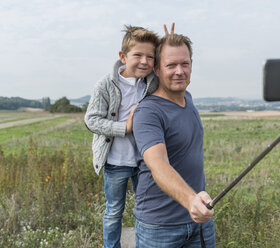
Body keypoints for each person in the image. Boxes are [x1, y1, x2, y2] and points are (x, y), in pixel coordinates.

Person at [133, 33, 216, 248]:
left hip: (199, 221)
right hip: (159, 227)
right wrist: (191, 201)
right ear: (157, 69)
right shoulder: (148, 111)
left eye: (184, 64)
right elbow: (158, 164)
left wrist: (195, 205)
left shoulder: (188, 98)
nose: (179, 71)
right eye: (171, 65)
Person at [84, 25, 160, 248]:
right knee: (114, 210)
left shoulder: (152, 82)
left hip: (143, 161)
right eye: (138, 55)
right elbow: (91, 120)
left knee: (145, 209)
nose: (145, 61)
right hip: (115, 162)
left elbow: (174, 74)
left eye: (150, 56)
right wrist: (124, 127)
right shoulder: (106, 84)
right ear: (123, 56)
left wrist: (170, 40)